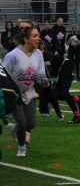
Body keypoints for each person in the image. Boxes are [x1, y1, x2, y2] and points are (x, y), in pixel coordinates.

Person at [2, 26, 49, 157]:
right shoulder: (13, 55)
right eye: (34, 36)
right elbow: (3, 74)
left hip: (29, 92)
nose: (38, 38)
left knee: (31, 123)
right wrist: (9, 92)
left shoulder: (38, 53)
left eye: (38, 35)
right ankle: (22, 147)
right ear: (25, 39)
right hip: (14, 94)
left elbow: (40, 74)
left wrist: (43, 80)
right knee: (22, 122)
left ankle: (14, 128)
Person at [37, 42, 64, 121]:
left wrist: (50, 78)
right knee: (45, 93)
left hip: (49, 75)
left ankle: (56, 112)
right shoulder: (35, 54)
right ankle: (46, 110)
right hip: (40, 75)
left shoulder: (45, 54)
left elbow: (48, 66)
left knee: (49, 93)